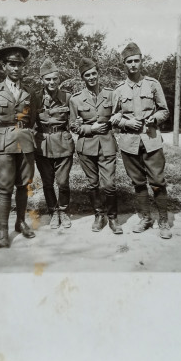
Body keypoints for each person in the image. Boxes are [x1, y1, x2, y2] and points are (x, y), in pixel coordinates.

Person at [111, 42, 172, 239]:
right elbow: (113, 117)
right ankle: (146, 218)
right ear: (124, 64)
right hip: (129, 143)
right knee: (138, 182)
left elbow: (164, 110)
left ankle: (163, 220)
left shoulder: (153, 84)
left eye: (136, 60)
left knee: (157, 181)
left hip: (151, 140)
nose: (133, 65)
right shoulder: (118, 89)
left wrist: (155, 118)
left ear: (141, 61)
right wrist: (127, 124)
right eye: (129, 61)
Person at [0, 45, 36, 248]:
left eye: (19, 65)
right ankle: (3, 230)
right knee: (5, 188)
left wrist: (24, 134)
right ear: (4, 66)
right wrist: (1, 138)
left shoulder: (29, 91)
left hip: (25, 142)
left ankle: (20, 222)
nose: (16, 68)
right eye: (12, 64)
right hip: (4, 142)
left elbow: (31, 119)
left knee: (24, 185)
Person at [69, 58, 122, 234]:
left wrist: (118, 117)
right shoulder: (76, 99)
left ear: (98, 74)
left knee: (109, 185)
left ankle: (113, 217)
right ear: (82, 78)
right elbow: (73, 126)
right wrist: (90, 128)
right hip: (86, 147)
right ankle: (99, 215)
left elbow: (120, 112)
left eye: (93, 73)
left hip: (107, 144)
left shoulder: (111, 94)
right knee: (92, 184)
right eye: (87, 75)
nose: (91, 77)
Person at [33, 59, 74, 229]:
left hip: (63, 144)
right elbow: (30, 122)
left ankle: (63, 211)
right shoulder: (34, 98)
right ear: (42, 80)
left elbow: (73, 121)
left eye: (54, 79)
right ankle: (53, 211)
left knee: (63, 182)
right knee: (47, 182)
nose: (51, 82)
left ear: (59, 79)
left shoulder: (67, 97)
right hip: (42, 145)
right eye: (47, 79)